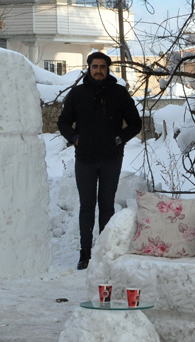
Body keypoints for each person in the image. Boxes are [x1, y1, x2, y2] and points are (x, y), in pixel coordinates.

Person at [58, 52, 142, 270]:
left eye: (102, 67)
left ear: (107, 69)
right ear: (89, 68)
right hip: (84, 159)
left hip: (110, 159)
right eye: (94, 66)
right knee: (87, 205)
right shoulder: (77, 94)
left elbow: (135, 123)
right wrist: (75, 138)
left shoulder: (118, 93)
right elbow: (63, 122)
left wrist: (119, 139)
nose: (98, 70)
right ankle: (85, 252)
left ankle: (105, 250)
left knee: (106, 205)